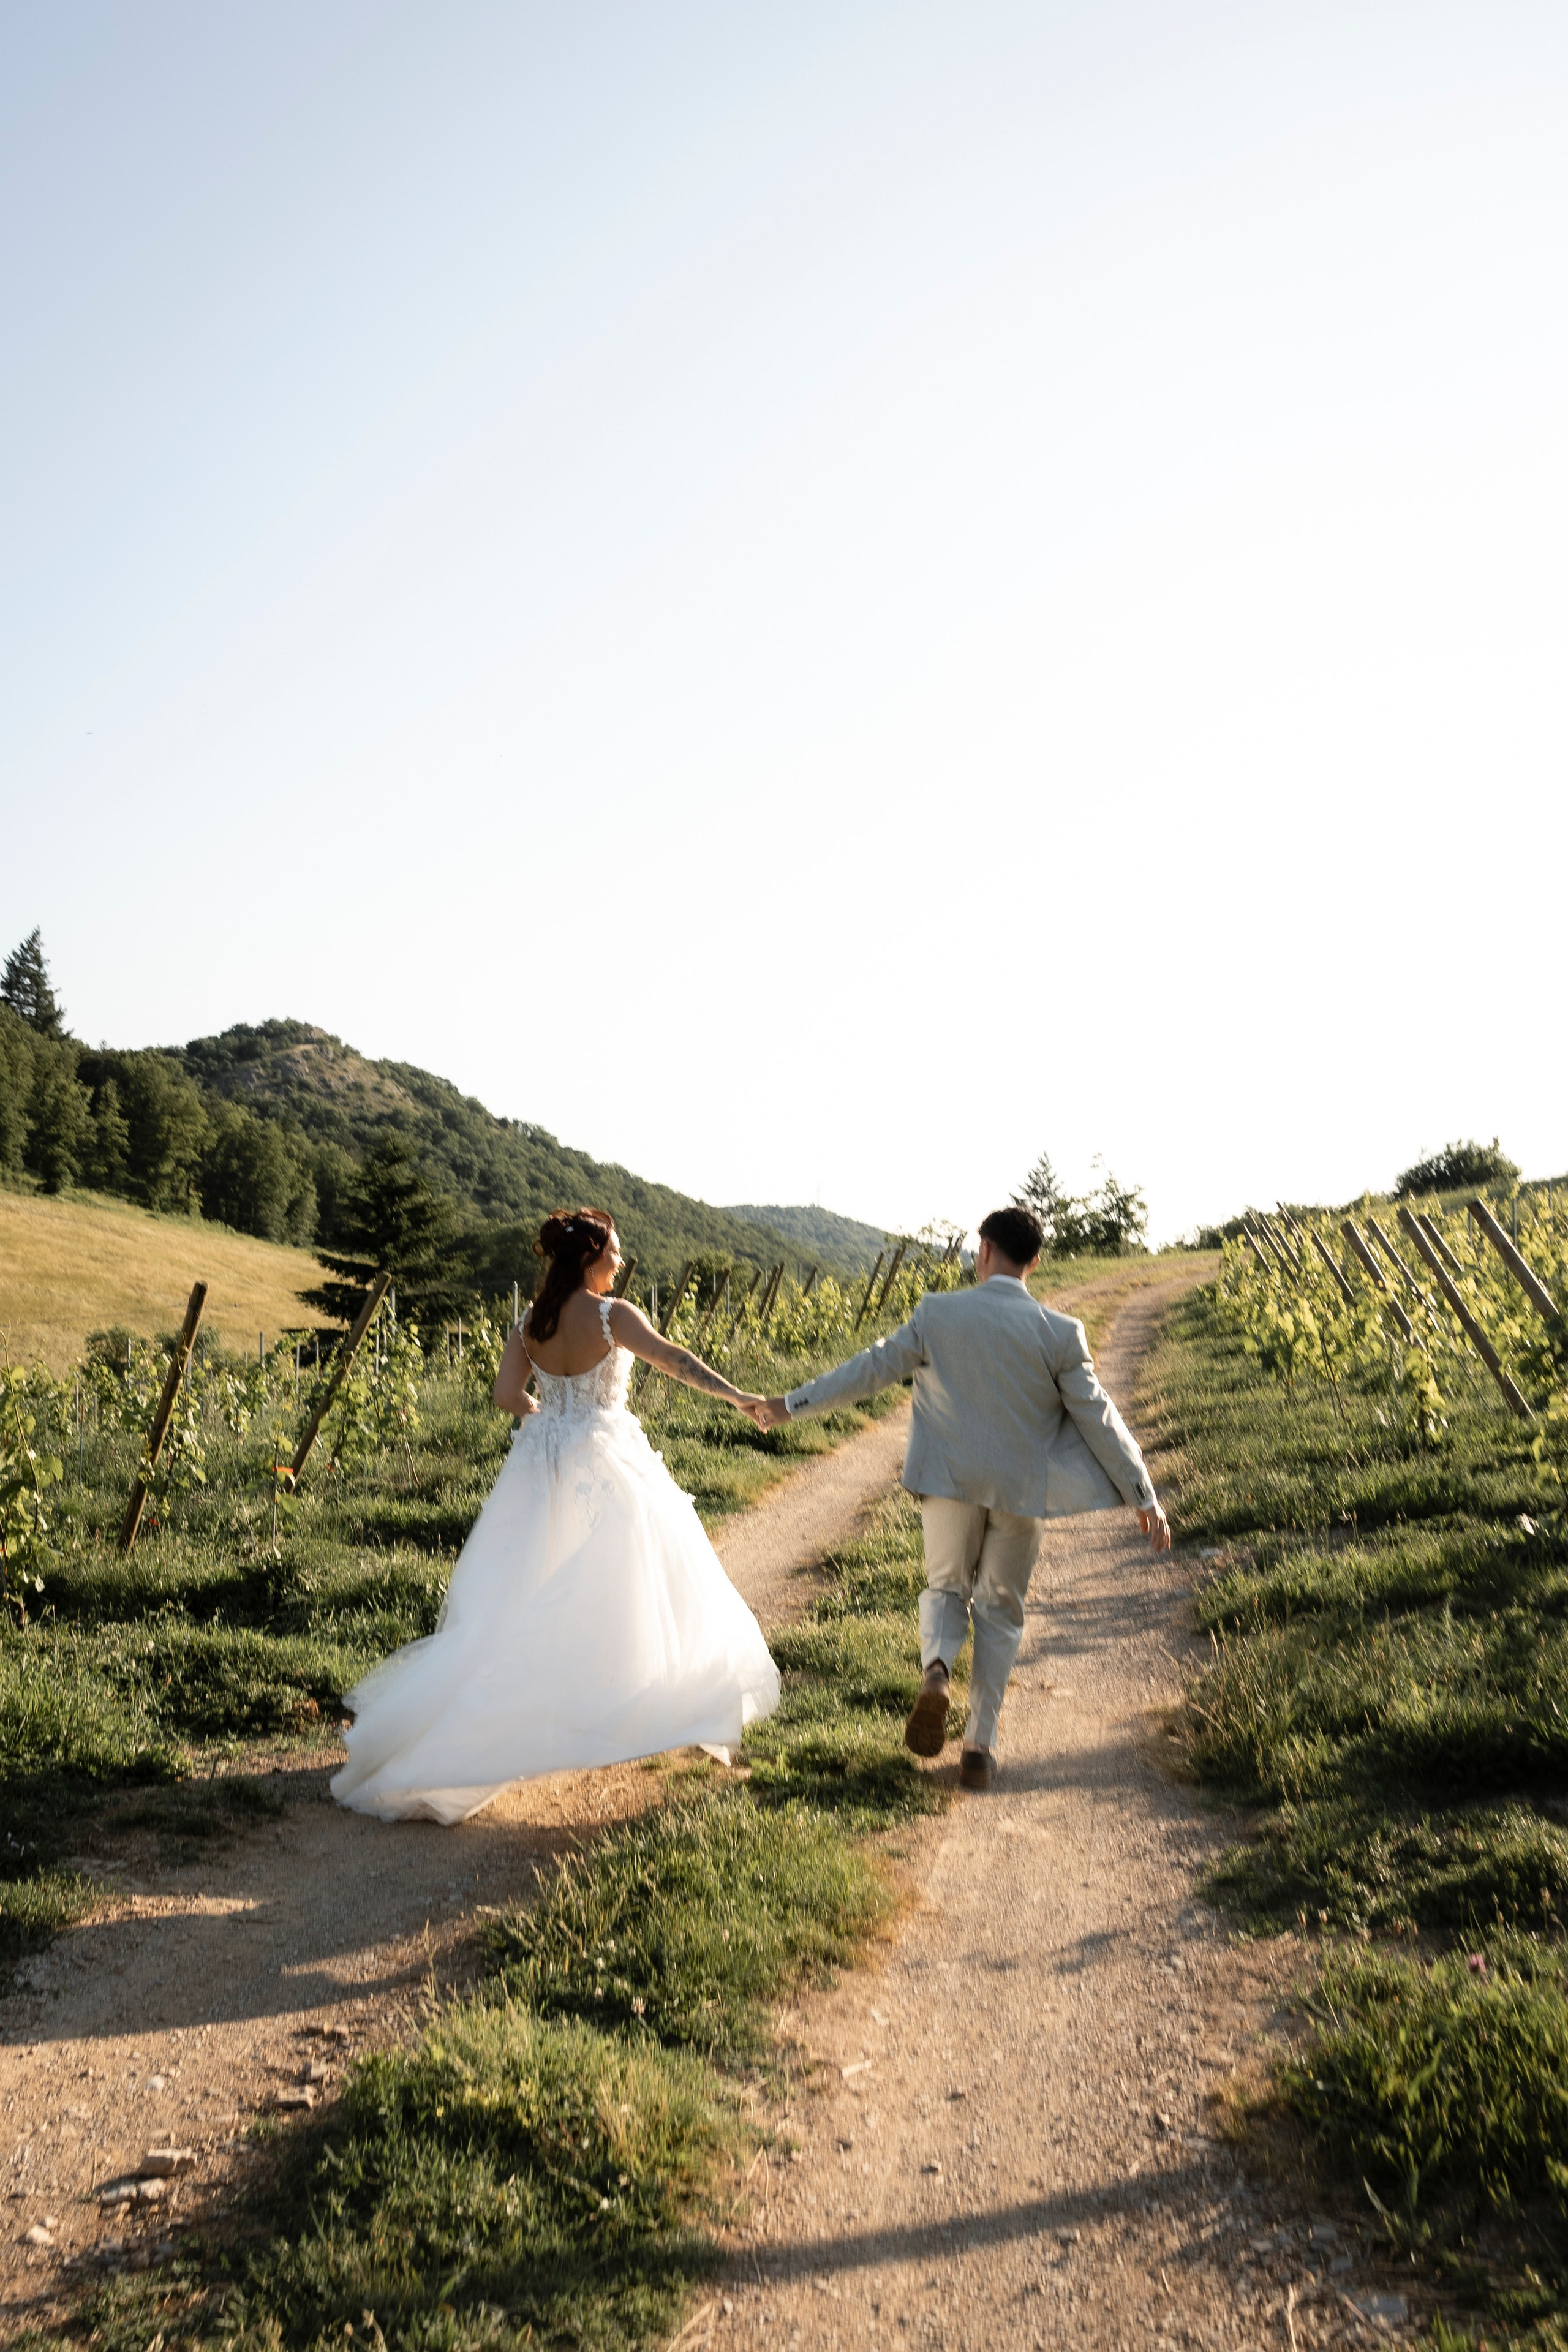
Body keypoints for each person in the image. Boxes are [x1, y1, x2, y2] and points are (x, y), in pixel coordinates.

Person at [331, 1208, 781, 1823]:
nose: (620, 1263)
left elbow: (505, 1397)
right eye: (614, 1253)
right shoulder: (612, 1314)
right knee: (632, 1580)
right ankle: (622, 1705)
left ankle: (488, 1722)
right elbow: (673, 1359)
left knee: (529, 1585)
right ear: (589, 1258)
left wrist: (546, 1416)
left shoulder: (530, 1321)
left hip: (543, 1461)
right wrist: (737, 1396)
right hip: (608, 1457)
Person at [754, 1204, 1169, 1792]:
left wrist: (788, 1404)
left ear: (983, 1251)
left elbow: (868, 1371)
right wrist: (1142, 1493)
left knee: (946, 1588)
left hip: (948, 1482)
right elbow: (1099, 1417)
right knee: (1001, 1610)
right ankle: (979, 1746)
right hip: (1023, 1493)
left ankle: (938, 1670)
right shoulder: (1060, 1333)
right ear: (1035, 1261)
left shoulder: (938, 1313)